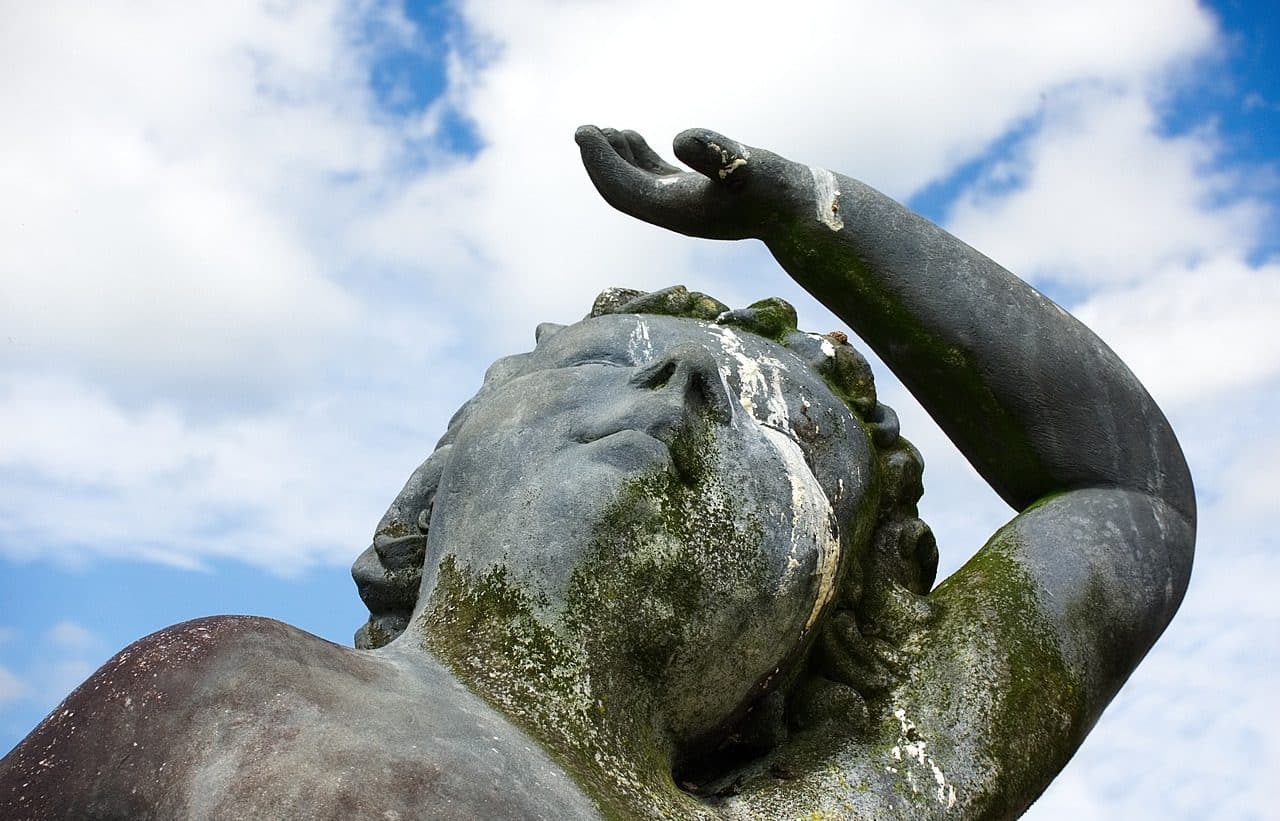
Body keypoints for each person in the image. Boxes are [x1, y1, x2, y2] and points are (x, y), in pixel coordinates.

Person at [0, 126, 1194, 820]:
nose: (684, 393)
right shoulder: (230, 682)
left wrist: (818, 218)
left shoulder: (829, 809)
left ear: (819, 632)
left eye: (785, 433)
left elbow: (1123, 493)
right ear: (430, 486)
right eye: (613, 364)